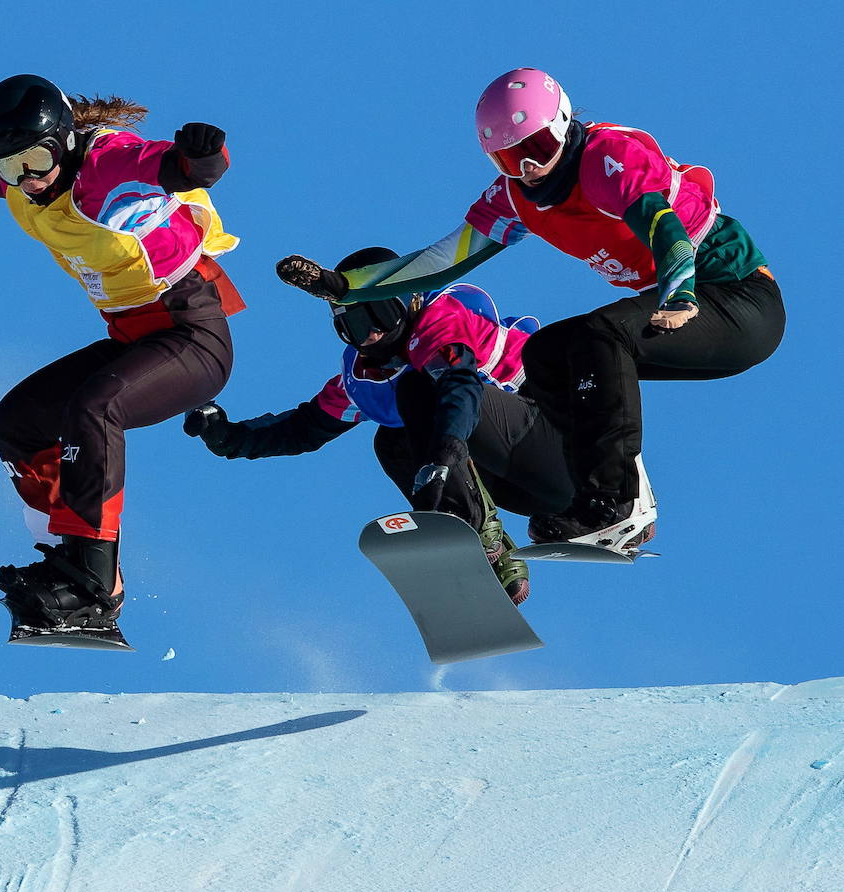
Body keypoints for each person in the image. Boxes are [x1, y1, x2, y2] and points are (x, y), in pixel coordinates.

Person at [276, 67, 782, 554]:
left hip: (735, 299)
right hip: (680, 304)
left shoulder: (606, 159)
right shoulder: (518, 198)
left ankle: (616, 499)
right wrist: (344, 286)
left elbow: (663, 227)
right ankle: (589, 495)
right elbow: (442, 260)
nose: (529, 168)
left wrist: (680, 292)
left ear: (563, 124)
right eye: (508, 159)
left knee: (598, 337)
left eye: (536, 149)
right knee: (546, 354)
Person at [0, 74, 244, 633]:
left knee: (95, 406)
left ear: (63, 139)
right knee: (19, 421)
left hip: (192, 334)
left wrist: (206, 153)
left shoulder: (110, 163)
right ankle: (64, 556)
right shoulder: (21, 178)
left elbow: (185, 169)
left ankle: (96, 579)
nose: (27, 178)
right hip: (134, 337)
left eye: (36, 159)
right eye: (10, 167)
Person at [186, 250, 577, 602]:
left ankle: (481, 525)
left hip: (562, 450)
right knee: (392, 439)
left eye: (380, 314)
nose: (371, 332)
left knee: (421, 390)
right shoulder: (362, 380)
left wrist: (445, 454)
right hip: (524, 487)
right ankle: (477, 544)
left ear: (409, 302)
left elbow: (459, 386)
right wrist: (230, 438)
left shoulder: (445, 322)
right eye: (355, 324)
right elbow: (304, 427)